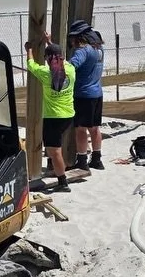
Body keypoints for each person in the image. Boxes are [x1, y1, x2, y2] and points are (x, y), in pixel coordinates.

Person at [24, 36, 76, 193]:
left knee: (55, 152)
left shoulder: (45, 74)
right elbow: (57, 55)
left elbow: (31, 65)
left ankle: (62, 182)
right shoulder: (71, 69)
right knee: (56, 149)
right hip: (68, 115)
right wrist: (50, 42)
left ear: (47, 59)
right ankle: (59, 173)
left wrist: (29, 50)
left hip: (53, 118)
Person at [67, 19, 106, 171]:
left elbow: (71, 67)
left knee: (81, 129)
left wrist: (55, 66)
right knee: (95, 128)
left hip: (83, 94)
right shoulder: (99, 49)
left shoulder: (82, 50)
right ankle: (96, 159)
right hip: (97, 93)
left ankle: (82, 160)